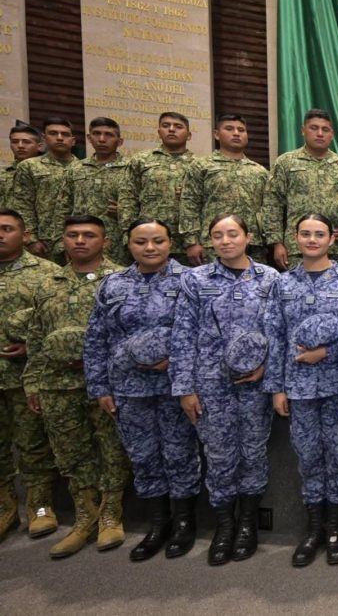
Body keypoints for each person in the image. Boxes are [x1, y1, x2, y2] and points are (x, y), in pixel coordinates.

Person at [84, 218, 201, 562]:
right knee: (144, 457)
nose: (150, 248)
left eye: (158, 241)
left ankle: (183, 524)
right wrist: (100, 386)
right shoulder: (112, 285)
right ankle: (158, 525)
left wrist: (178, 364)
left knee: (180, 454)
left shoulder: (190, 281)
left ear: (170, 243)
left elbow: (201, 332)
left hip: (175, 386)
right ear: (128, 244)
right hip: (128, 387)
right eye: (141, 242)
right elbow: (97, 338)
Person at [170, 213, 279, 566]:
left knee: (252, 452)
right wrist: (185, 387)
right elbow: (182, 335)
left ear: (248, 237)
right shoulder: (195, 280)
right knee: (218, 456)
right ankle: (224, 525)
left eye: (233, 233)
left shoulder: (270, 279)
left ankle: (247, 524)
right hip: (210, 385)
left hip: (255, 387)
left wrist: (266, 368)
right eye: (218, 235)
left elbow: (279, 333)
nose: (226, 241)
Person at [23, 214, 129, 558]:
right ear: (62, 239)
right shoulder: (47, 281)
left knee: (112, 450)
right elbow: (36, 336)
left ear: (105, 241)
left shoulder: (120, 280)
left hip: (108, 382)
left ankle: (111, 513)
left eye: (88, 235)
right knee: (71, 452)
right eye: (72, 235)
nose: (80, 241)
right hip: (57, 384)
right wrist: (33, 382)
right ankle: (85, 516)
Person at [264, 213, 338, 567]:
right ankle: (313, 529)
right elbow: (274, 338)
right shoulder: (282, 284)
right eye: (305, 234)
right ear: (295, 237)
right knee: (307, 456)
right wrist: (276, 388)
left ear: (331, 239)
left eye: (319, 234)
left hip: (337, 385)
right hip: (299, 387)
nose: (312, 240)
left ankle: (336, 528)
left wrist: (326, 352)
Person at [0, 209, 61, 543]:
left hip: (24, 374)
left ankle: (39, 504)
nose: (0, 234)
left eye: (7, 229)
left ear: (24, 235)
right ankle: (4, 504)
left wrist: (31, 345)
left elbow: (54, 322)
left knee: (32, 443)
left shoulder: (46, 275)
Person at [264, 109, 338, 271]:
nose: (320, 133)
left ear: (332, 134)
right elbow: (273, 204)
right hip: (297, 248)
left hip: (337, 249)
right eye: (314, 128)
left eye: (325, 129)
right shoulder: (286, 162)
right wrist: (276, 243)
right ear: (303, 130)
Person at [180, 114, 270, 266]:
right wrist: (191, 242)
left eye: (241, 130)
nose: (236, 133)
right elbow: (189, 204)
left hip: (253, 245)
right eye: (229, 129)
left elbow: (269, 208)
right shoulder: (201, 166)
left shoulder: (259, 171)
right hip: (213, 244)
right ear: (216, 134)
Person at [117, 112, 200, 265]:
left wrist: (194, 240)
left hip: (186, 243)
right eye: (166, 126)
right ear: (159, 132)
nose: (171, 130)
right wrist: (129, 234)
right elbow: (127, 198)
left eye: (178, 126)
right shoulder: (141, 160)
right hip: (148, 240)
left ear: (188, 135)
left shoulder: (200, 164)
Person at [57, 117, 131, 266]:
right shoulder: (75, 169)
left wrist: (125, 210)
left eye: (109, 135)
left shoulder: (131, 168)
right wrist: (61, 243)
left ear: (120, 141)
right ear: (89, 138)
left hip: (119, 246)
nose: (102, 139)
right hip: (81, 243)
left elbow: (144, 204)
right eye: (97, 134)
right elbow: (62, 207)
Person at [11, 118, 79, 264]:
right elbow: (22, 205)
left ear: (73, 140)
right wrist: (31, 240)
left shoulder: (84, 169)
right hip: (42, 244)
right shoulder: (29, 166)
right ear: (44, 138)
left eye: (65, 134)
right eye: (53, 133)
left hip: (78, 242)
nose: (60, 138)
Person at [1, 123, 45, 208]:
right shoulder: (3, 173)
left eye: (26, 142)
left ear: (39, 146)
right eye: (15, 142)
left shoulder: (50, 171)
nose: (20, 146)